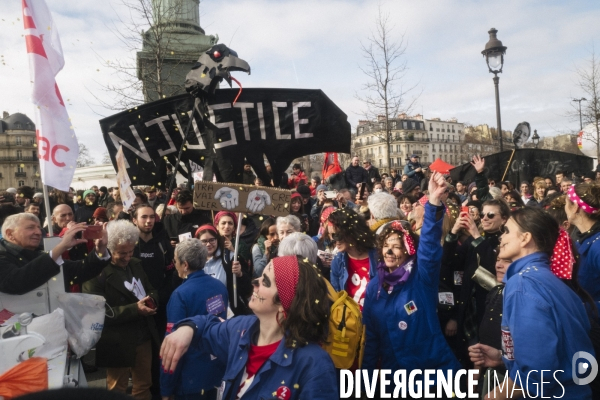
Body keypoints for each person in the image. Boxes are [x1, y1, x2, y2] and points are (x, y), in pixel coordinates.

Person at [159, 255, 338, 400]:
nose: (255, 282)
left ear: (285, 303)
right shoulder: (242, 328)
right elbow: (207, 326)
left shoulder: (314, 365)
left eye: (265, 281)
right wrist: (188, 329)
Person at [473, 207, 595, 399]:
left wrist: (491, 397)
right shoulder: (552, 280)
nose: (501, 238)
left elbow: (537, 374)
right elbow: (559, 352)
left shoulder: (523, 284)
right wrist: (503, 358)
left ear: (525, 238)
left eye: (506, 231)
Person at [362, 172, 462, 395]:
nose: (389, 251)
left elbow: (429, 247)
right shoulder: (374, 287)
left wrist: (434, 202)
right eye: (385, 246)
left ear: (408, 251)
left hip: (433, 376)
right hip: (395, 380)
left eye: (396, 246)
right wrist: (365, 385)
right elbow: (372, 341)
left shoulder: (421, 276)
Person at [83, 220, 159, 400]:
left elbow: (151, 288)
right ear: (108, 249)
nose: (127, 257)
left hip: (143, 336)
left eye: (131, 251)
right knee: (117, 387)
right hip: (117, 339)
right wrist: (135, 309)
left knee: (143, 384)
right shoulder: (95, 271)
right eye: (121, 253)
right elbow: (97, 311)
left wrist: (152, 300)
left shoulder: (135, 264)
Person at [160, 239, 227, 400]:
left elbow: (172, 346)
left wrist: (166, 388)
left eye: (175, 261)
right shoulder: (219, 286)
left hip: (189, 378)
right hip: (216, 372)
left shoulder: (180, 294)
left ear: (184, 265)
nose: (174, 264)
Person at [0, 213, 110, 295]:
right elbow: (16, 282)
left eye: (39, 227)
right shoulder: (3, 255)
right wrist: (61, 247)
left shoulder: (38, 254)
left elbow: (80, 270)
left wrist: (99, 250)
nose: (38, 232)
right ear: (10, 234)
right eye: (30, 228)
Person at [195, 224, 252, 316]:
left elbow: (247, 288)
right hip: (203, 312)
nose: (208, 244)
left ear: (217, 239)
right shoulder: (194, 262)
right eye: (204, 241)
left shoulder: (230, 258)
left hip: (230, 312)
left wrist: (240, 274)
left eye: (212, 240)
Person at [328, 207, 377, 308]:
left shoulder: (378, 257)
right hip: (351, 320)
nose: (335, 240)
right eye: (333, 235)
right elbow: (336, 297)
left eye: (339, 235)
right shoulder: (338, 260)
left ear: (352, 233)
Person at [565, 182, 600, 307]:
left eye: (566, 203)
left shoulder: (597, 246)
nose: (565, 208)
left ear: (575, 207)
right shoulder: (581, 238)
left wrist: (583, 311)